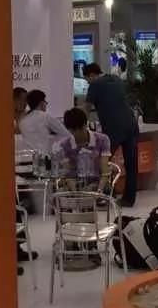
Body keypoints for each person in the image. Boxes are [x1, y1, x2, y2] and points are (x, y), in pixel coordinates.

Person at [83, 62, 139, 207]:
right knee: (131, 164)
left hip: (114, 128)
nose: (88, 83)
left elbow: (87, 108)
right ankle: (129, 199)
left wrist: (79, 124)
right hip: (131, 124)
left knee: (101, 162)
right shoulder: (116, 79)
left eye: (87, 79)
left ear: (91, 75)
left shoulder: (95, 84)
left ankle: (103, 195)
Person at [51, 107, 112, 194]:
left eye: (80, 129)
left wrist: (99, 191)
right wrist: (76, 193)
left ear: (85, 124)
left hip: (97, 182)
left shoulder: (102, 140)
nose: (77, 133)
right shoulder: (65, 145)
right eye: (74, 130)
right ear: (69, 130)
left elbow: (104, 171)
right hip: (76, 184)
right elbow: (68, 173)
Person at [18, 90, 68, 157]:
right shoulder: (45, 116)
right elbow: (65, 134)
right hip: (44, 157)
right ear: (41, 103)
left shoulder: (23, 121)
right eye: (45, 101)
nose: (46, 103)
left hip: (29, 157)